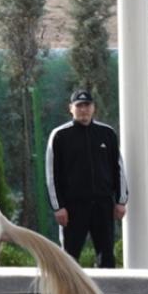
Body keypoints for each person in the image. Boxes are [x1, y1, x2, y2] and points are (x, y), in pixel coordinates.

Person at [45, 90, 129, 268]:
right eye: (79, 106)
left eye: (87, 105)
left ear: (93, 108)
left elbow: (118, 168)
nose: (84, 109)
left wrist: (121, 201)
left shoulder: (107, 133)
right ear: (71, 109)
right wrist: (58, 207)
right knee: (70, 257)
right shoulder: (60, 135)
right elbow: (51, 174)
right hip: (73, 207)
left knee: (106, 255)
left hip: (103, 205)